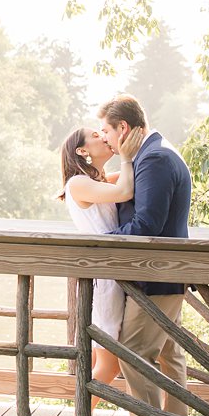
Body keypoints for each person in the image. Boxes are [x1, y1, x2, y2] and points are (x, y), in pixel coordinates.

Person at [97, 93, 193, 416]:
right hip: (166, 275)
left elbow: (147, 224)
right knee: (170, 355)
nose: (104, 139)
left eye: (106, 131)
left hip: (155, 277)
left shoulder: (154, 159)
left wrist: (106, 240)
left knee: (135, 352)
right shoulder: (155, 153)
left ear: (123, 128)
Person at [58, 123, 144, 398]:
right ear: (82, 151)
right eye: (96, 136)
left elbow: (131, 179)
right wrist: (127, 157)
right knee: (109, 366)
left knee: (100, 362)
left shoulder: (97, 181)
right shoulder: (78, 183)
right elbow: (124, 192)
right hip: (104, 279)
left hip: (106, 275)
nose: (103, 137)